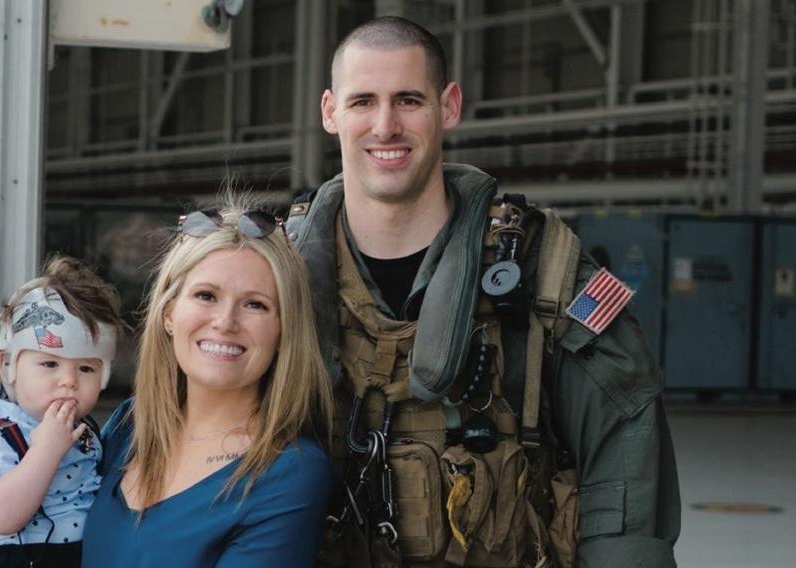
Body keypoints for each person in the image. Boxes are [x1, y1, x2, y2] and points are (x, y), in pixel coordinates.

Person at [288, 16, 681, 568]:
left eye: (408, 100)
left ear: (449, 105)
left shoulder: (542, 265)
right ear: (330, 112)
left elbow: (624, 445)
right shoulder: (275, 274)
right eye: (362, 102)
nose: (385, 125)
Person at [82, 205, 335, 567]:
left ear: (284, 331)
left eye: (255, 304)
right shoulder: (130, 425)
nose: (225, 322)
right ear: (169, 313)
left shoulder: (289, 472)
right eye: (206, 296)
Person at [0, 256, 124, 568]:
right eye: (50, 364)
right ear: (7, 365)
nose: (69, 381)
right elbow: (1, 516)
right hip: (15, 559)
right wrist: (45, 451)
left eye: (86, 368)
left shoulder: (86, 431)